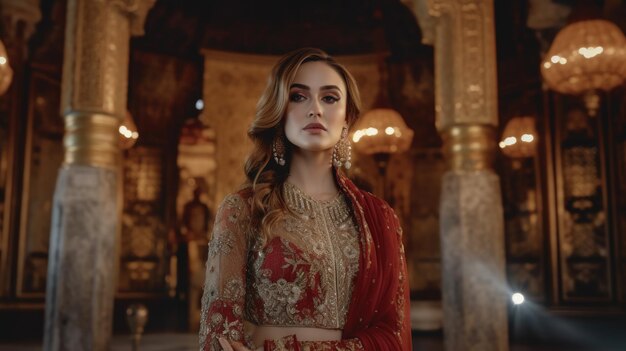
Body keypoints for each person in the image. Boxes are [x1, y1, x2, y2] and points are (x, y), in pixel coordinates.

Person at [199, 48, 412, 351]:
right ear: (279, 111)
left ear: (347, 117)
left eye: (329, 98)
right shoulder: (244, 209)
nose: (316, 109)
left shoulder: (379, 217)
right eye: (298, 97)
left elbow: (393, 332)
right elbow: (217, 335)